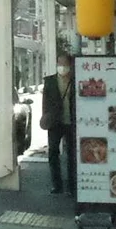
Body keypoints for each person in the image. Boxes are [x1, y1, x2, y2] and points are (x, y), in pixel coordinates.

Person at [41, 56, 76, 194]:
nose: (62, 67)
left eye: (65, 64)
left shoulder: (76, 79)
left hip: (71, 122)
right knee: (53, 153)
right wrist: (47, 118)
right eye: (60, 64)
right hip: (55, 122)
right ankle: (57, 185)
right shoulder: (49, 81)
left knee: (72, 154)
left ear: (70, 65)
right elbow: (45, 103)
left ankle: (72, 186)